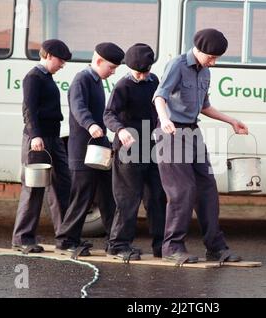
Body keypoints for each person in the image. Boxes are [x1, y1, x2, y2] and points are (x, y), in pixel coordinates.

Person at [153, 29, 248, 264]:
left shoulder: (205, 72)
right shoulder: (176, 65)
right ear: (199, 49)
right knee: (182, 191)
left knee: (207, 188)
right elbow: (159, 96)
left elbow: (205, 106)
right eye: (211, 57)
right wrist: (164, 120)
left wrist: (231, 121)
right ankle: (172, 247)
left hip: (193, 132)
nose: (213, 63)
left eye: (217, 58)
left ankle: (215, 247)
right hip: (171, 132)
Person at [55, 43, 125, 257]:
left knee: (107, 195)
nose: (113, 72)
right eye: (111, 67)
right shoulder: (82, 79)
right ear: (99, 61)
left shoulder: (96, 81)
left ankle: (116, 242)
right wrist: (91, 125)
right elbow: (78, 107)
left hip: (98, 147)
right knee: (82, 197)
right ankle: (66, 240)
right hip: (82, 150)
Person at [104, 43, 167, 261]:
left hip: (151, 147)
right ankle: (118, 244)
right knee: (128, 198)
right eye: (137, 72)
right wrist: (120, 130)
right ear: (129, 68)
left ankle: (161, 245)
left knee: (157, 197)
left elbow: (159, 108)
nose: (141, 76)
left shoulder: (155, 81)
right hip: (129, 148)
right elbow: (109, 114)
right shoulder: (123, 85)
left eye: (145, 72)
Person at [12, 39, 72, 253]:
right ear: (47, 55)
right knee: (34, 189)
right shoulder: (34, 77)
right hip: (37, 140)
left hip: (53, 139)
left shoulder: (47, 77)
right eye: (60, 60)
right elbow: (29, 109)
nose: (62, 65)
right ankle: (22, 239)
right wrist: (35, 135)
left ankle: (66, 238)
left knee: (62, 185)